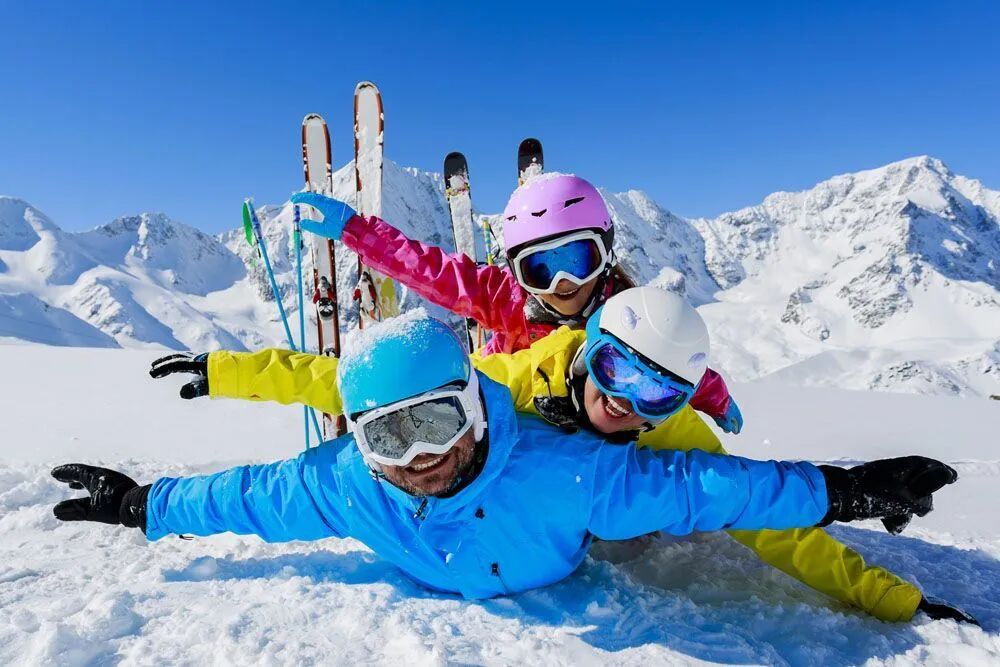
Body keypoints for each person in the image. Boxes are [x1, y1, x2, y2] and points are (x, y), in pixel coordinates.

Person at [149, 290, 976, 624]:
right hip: (537, 497)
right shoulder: (505, 385)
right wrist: (224, 379)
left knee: (650, 500)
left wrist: (850, 510)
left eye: (656, 395)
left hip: (580, 510)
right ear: (587, 350)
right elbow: (330, 408)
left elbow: (732, 497)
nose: (624, 403)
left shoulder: (615, 463)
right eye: (615, 370)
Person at [289, 174, 743, 434]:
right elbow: (429, 270)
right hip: (515, 420)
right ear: (517, 272)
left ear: (605, 253)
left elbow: (670, 360)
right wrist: (360, 233)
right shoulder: (503, 298)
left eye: (577, 260)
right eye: (540, 269)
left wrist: (716, 399)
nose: (563, 283)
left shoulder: (624, 312)